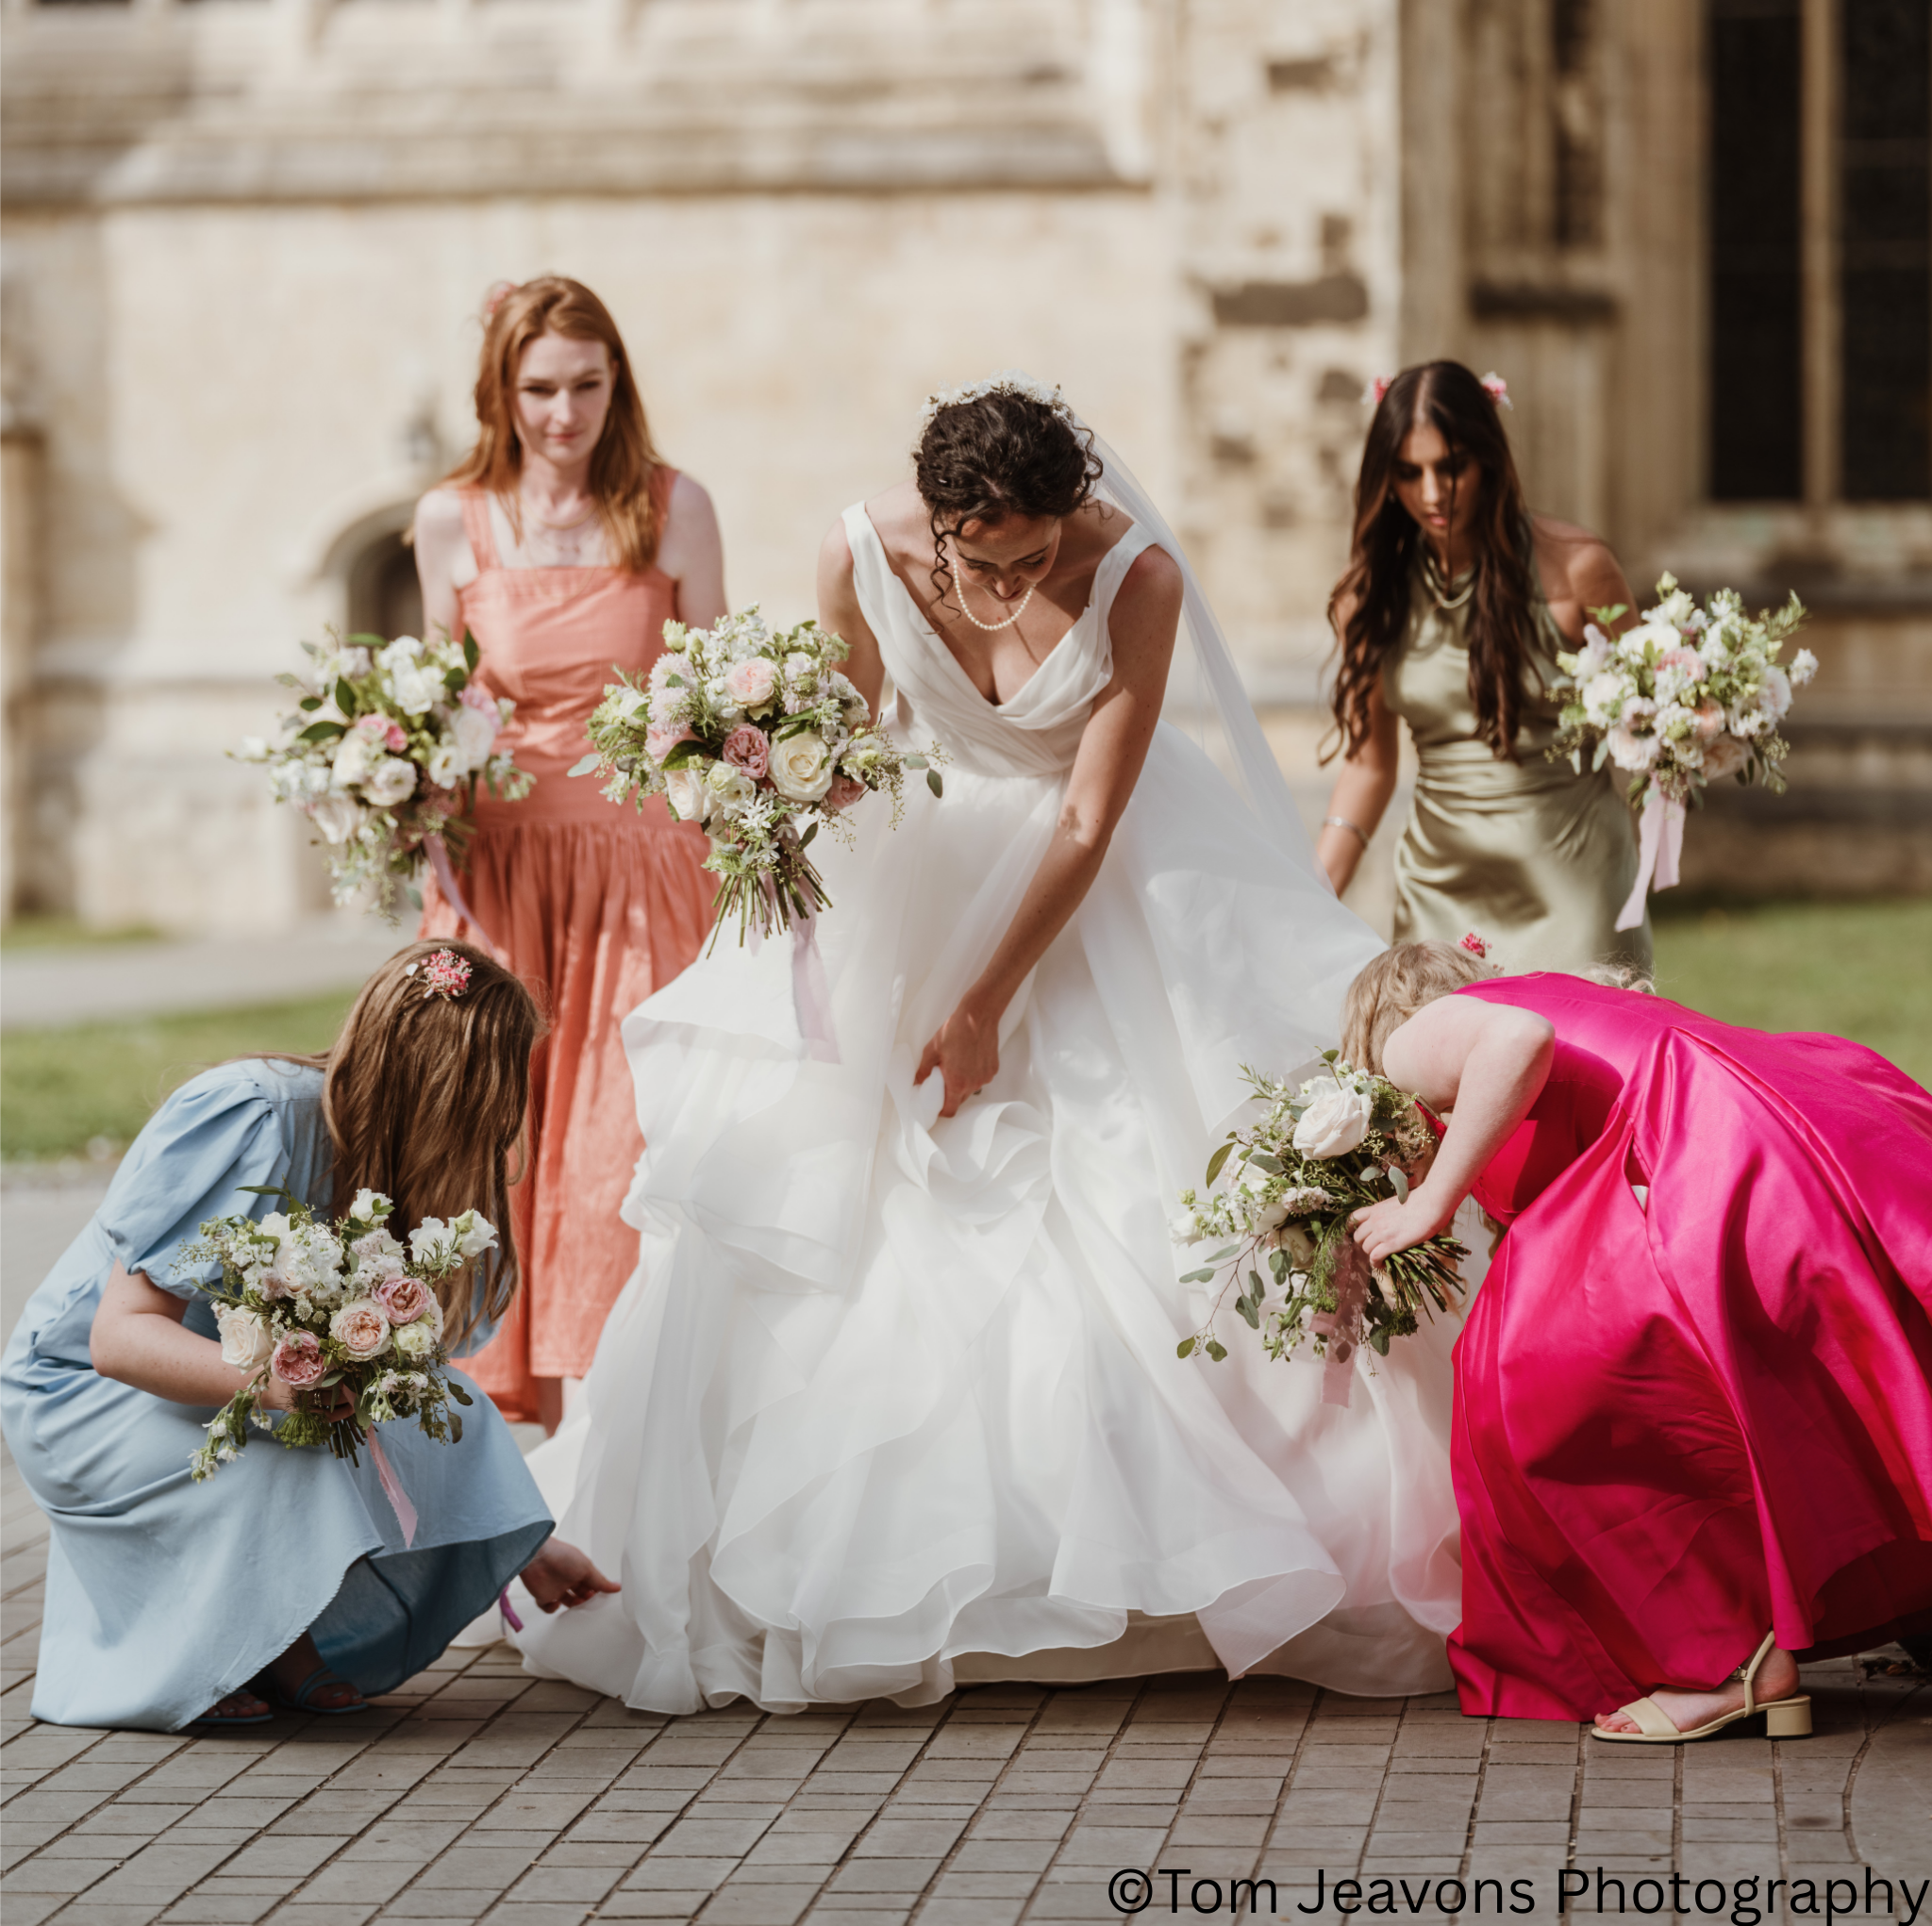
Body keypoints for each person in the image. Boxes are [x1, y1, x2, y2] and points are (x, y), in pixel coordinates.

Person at [498, 374, 1468, 1716]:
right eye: (982, 564)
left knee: (1152, 1197)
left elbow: (1085, 819)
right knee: (847, 1209)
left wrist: (982, 1005)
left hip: (1106, 886)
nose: (1010, 592)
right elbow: (847, 745)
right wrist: (762, 786)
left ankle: (1182, 1574)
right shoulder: (856, 552)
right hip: (920, 866)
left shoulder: (1136, 577)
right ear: (938, 526)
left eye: (1034, 561)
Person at [0, 941, 618, 1733]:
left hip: (236, 1380)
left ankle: (272, 1633)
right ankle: (215, 1652)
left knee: (449, 1408)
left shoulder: (399, 1168)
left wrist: (528, 1548)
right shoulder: (253, 1116)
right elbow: (117, 1339)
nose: (507, 1118)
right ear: (437, 1086)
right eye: (494, 1094)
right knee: (289, 1460)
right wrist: (280, 1384)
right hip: (90, 1394)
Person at [1342, 942, 1932, 1739]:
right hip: (1786, 1130)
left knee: (1527, 1385)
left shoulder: (1414, 1035)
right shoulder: (1565, 997)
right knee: (1842, 1385)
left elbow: (1515, 1042)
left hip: (1710, 1156)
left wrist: (1429, 1204)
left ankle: (1727, 1663)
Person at [412, 276, 728, 1430]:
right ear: (501, 392)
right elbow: (435, 706)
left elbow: (710, 696)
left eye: (586, 385)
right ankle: (486, 1406)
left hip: (641, 870)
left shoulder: (671, 505)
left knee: (621, 1133)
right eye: (539, 388)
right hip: (497, 874)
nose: (563, 412)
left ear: (616, 383)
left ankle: (618, 1413)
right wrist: (394, 788)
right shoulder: (452, 518)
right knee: (490, 1132)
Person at [1316, 361, 1651, 976]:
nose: (1433, 493)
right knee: (1434, 1071)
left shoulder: (1578, 570)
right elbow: (1368, 768)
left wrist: (1706, 722)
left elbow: (1651, 722)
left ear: (1489, 459)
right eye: (1409, 473)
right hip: (1439, 892)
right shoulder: (1365, 600)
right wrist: (1311, 899)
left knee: (1585, 1064)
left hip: (1575, 881)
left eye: (1451, 467)